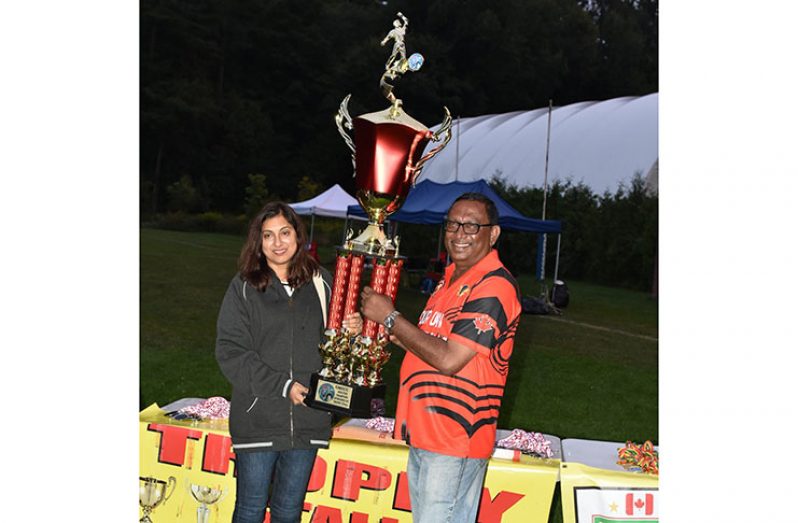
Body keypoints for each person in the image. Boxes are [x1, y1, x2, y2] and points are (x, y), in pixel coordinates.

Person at [360, 193, 521, 523]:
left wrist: (391, 318)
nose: (459, 233)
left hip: (454, 437)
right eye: (452, 223)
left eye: (472, 225)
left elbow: (449, 359)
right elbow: (429, 344)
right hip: (426, 431)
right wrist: (384, 330)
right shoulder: (448, 279)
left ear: (493, 234)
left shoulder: (494, 285)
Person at [215, 201, 361, 523]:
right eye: (268, 236)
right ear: (259, 242)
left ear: (298, 236)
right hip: (258, 418)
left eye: (284, 232)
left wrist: (353, 329)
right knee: (250, 510)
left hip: (309, 419)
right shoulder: (243, 287)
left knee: (288, 511)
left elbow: (338, 350)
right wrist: (283, 387)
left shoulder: (323, 282)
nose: (277, 243)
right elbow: (231, 351)